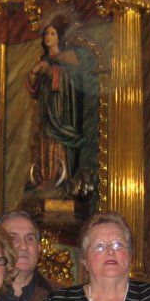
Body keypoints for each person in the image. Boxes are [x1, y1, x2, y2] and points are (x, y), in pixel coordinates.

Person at [26, 19, 89, 194]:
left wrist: (51, 71)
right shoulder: (43, 59)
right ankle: (45, 178)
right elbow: (34, 89)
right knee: (43, 141)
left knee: (57, 142)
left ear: (59, 37)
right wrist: (34, 73)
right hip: (45, 109)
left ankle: (58, 179)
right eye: (46, 33)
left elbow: (73, 82)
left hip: (61, 112)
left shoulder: (68, 57)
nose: (48, 36)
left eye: (52, 33)